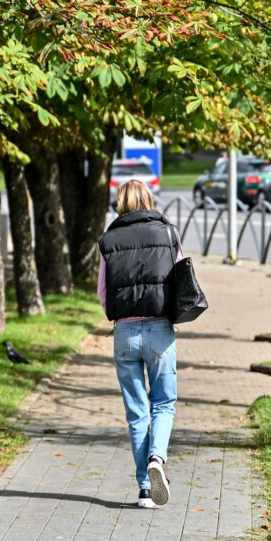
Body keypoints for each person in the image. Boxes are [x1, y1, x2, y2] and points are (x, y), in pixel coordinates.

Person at [98, 177, 182, 509]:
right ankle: (157, 459)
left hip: (125, 333)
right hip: (161, 329)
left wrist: (118, 316)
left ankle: (145, 489)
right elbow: (181, 278)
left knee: (137, 412)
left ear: (121, 203)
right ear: (149, 199)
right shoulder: (168, 232)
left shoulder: (109, 239)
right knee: (163, 403)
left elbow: (104, 293)